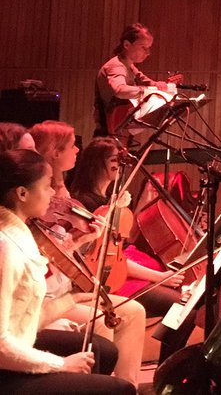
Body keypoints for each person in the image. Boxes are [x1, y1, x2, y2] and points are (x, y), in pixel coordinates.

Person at [0, 148, 133, 394]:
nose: (53, 193)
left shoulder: (20, 233)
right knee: (119, 389)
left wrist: (72, 298)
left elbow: (27, 318)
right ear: (22, 193)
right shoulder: (5, 247)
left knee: (104, 351)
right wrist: (62, 364)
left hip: (19, 345)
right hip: (5, 370)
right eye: (47, 186)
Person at [28, 124, 147, 385]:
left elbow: (64, 252)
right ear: (55, 152)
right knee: (101, 319)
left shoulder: (61, 196)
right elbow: (46, 262)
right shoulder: (31, 212)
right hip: (46, 298)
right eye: (72, 145)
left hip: (61, 288)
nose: (77, 150)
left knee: (134, 311)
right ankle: (98, 386)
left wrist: (83, 238)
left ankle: (128, 386)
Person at [69, 139, 193, 364]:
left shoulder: (110, 197)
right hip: (110, 275)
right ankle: (167, 367)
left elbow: (124, 240)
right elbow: (107, 255)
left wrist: (140, 204)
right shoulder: (85, 202)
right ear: (96, 163)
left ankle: (167, 365)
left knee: (185, 305)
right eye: (113, 160)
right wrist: (159, 277)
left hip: (125, 264)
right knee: (182, 308)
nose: (119, 165)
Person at [94, 24, 178, 138]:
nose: (148, 52)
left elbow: (143, 79)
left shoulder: (128, 65)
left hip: (119, 128)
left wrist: (157, 85)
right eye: (143, 47)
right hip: (109, 132)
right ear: (127, 45)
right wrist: (148, 91)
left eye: (149, 48)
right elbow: (119, 90)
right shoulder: (116, 66)